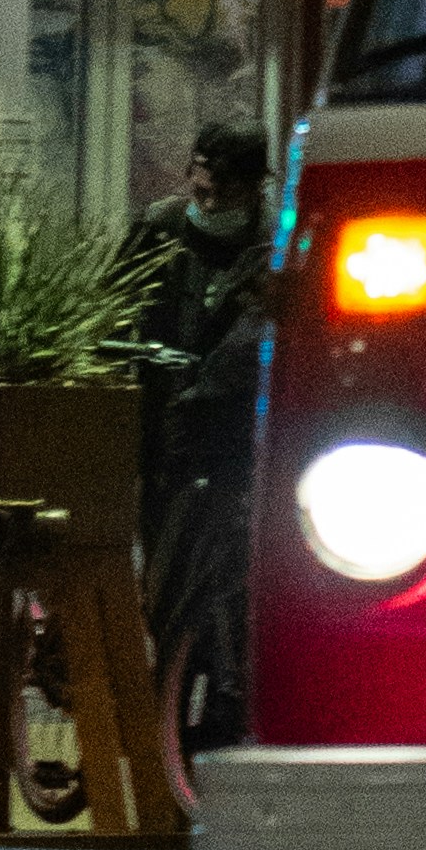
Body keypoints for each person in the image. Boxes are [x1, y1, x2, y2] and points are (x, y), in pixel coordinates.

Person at [137, 120, 271, 765]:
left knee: (227, 563)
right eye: (201, 186)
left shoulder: (272, 246)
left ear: (253, 187)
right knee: (164, 564)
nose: (209, 202)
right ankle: (167, 694)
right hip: (160, 430)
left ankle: (221, 692)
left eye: (224, 192)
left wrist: (205, 390)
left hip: (230, 430)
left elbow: (256, 335)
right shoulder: (160, 228)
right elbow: (117, 302)